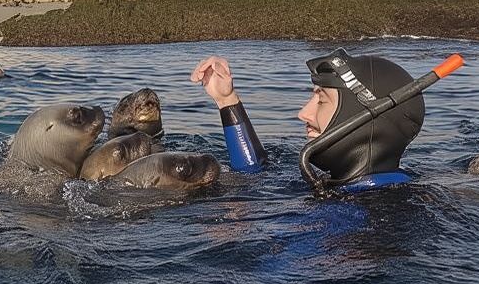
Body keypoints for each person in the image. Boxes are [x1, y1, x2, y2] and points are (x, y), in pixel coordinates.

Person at [191, 49, 445, 191]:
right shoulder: (341, 187)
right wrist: (226, 100)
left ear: (365, 117)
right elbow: (251, 175)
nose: (303, 113)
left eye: (321, 101)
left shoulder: (375, 218)